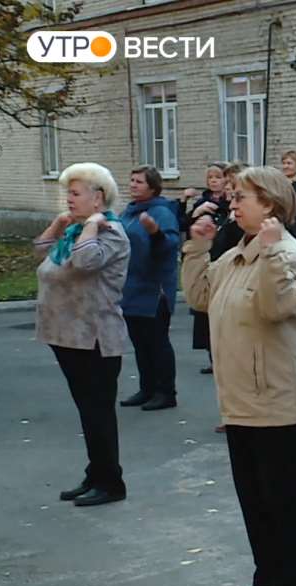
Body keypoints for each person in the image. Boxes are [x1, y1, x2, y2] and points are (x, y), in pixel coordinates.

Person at [181, 166, 296, 586]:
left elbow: (277, 305)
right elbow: (200, 298)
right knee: (254, 496)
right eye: (234, 196)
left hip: (279, 397)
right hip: (240, 398)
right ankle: (268, 574)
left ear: (271, 205)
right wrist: (199, 246)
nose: (232, 203)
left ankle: (294, 580)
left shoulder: (286, 252)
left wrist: (274, 250)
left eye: (243, 197)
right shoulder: (237, 253)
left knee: (283, 498)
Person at [33, 163, 132, 507]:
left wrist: (90, 225)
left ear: (98, 198)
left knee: (98, 411)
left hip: (95, 337)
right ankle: (96, 474)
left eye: (75, 194)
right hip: (68, 334)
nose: (69, 200)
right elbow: (41, 254)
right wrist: (61, 224)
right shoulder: (76, 231)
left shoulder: (110, 232)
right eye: (68, 193)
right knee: (87, 410)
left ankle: (111, 482)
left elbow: (86, 262)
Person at [119, 165, 181, 411]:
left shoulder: (161, 212)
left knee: (157, 341)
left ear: (153, 187)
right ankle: (147, 388)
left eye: (139, 182)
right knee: (139, 342)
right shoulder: (130, 211)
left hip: (154, 288)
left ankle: (166, 392)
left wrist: (155, 233)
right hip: (131, 286)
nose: (133, 185)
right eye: (132, 180)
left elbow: (169, 245)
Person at [179, 162, 232, 375]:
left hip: (223, 257)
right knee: (204, 313)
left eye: (217, 177)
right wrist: (195, 210)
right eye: (210, 178)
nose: (214, 182)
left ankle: (225, 356)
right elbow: (185, 224)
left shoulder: (231, 206)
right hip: (206, 257)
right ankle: (213, 356)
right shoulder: (204, 201)